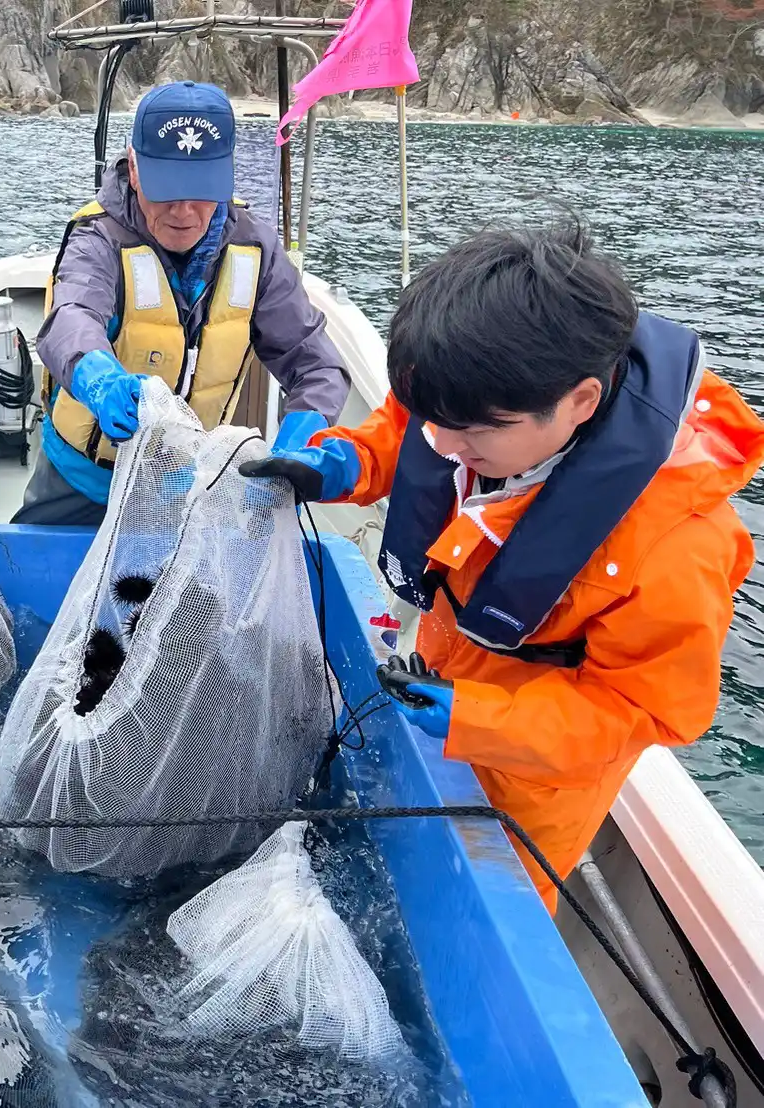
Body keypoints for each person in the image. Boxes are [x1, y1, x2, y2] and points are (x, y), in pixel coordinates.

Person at [243, 221, 764, 912]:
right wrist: (344, 463)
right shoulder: (468, 397)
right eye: (434, 418)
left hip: (530, 792)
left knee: (474, 911)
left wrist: (477, 718)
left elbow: (640, 711)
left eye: (474, 431)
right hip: (438, 679)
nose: (446, 444)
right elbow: (403, 431)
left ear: (580, 401)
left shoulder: (678, 546)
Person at [14, 80, 350, 526]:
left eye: (201, 189)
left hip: (187, 482)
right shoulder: (97, 239)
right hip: (83, 480)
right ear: (134, 168)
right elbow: (70, 319)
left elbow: (317, 365)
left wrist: (302, 438)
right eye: (167, 190)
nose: (184, 212)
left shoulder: (257, 248)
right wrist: (101, 382)